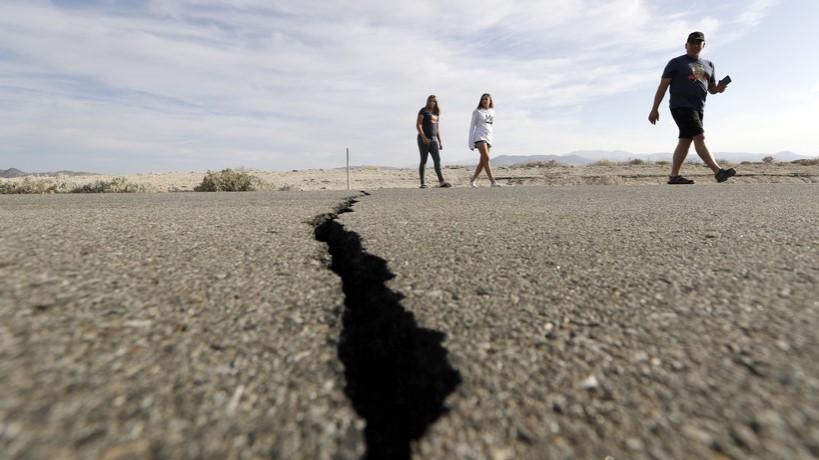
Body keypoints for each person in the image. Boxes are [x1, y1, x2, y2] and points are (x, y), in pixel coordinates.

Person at [648, 31, 736, 184]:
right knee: (699, 136)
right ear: (686, 45)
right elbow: (662, 86)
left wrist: (719, 88)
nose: (695, 45)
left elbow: (712, 89)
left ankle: (674, 176)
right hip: (680, 105)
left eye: (699, 43)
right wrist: (654, 108)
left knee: (685, 140)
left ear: (703, 45)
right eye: (692, 43)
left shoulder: (709, 65)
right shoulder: (676, 63)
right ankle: (718, 171)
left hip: (698, 107)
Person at [416, 95, 451, 188]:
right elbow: (418, 125)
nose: (432, 103)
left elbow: (437, 129)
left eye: (434, 101)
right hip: (424, 139)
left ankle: (442, 181)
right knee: (424, 160)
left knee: (437, 160)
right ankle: (422, 183)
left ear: (436, 103)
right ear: (427, 102)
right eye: (430, 101)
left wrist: (440, 142)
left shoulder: (436, 114)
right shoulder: (423, 111)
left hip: (434, 140)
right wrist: (423, 137)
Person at [468, 93, 501, 187]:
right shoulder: (477, 112)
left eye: (486, 99)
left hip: (488, 138)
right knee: (487, 158)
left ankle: (472, 180)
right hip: (479, 137)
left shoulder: (492, 112)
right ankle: (492, 181)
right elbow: (471, 127)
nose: (484, 101)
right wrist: (470, 143)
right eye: (483, 99)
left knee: (483, 161)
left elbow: (491, 127)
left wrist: (491, 139)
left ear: (490, 101)